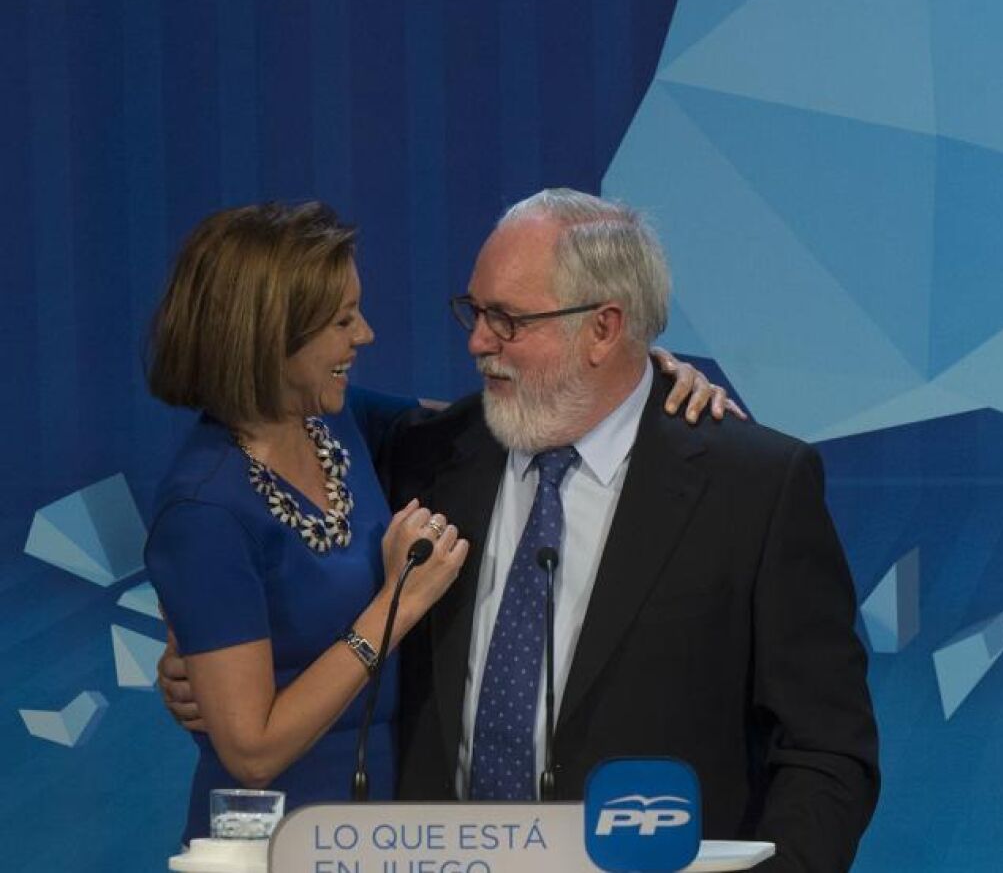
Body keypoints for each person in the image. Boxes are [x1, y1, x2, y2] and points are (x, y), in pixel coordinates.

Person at [146, 201, 735, 845]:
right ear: (269, 336)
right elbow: (252, 752)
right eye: (342, 320)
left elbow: (492, 415)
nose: (365, 334)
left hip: (386, 835)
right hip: (280, 842)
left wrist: (639, 368)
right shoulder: (203, 509)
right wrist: (397, 606)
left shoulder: (335, 421)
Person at [380, 189, 879, 871]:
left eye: (507, 320)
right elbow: (286, 403)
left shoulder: (754, 488)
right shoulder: (425, 454)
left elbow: (825, 748)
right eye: (475, 310)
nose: (477, 342)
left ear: (604, 328)